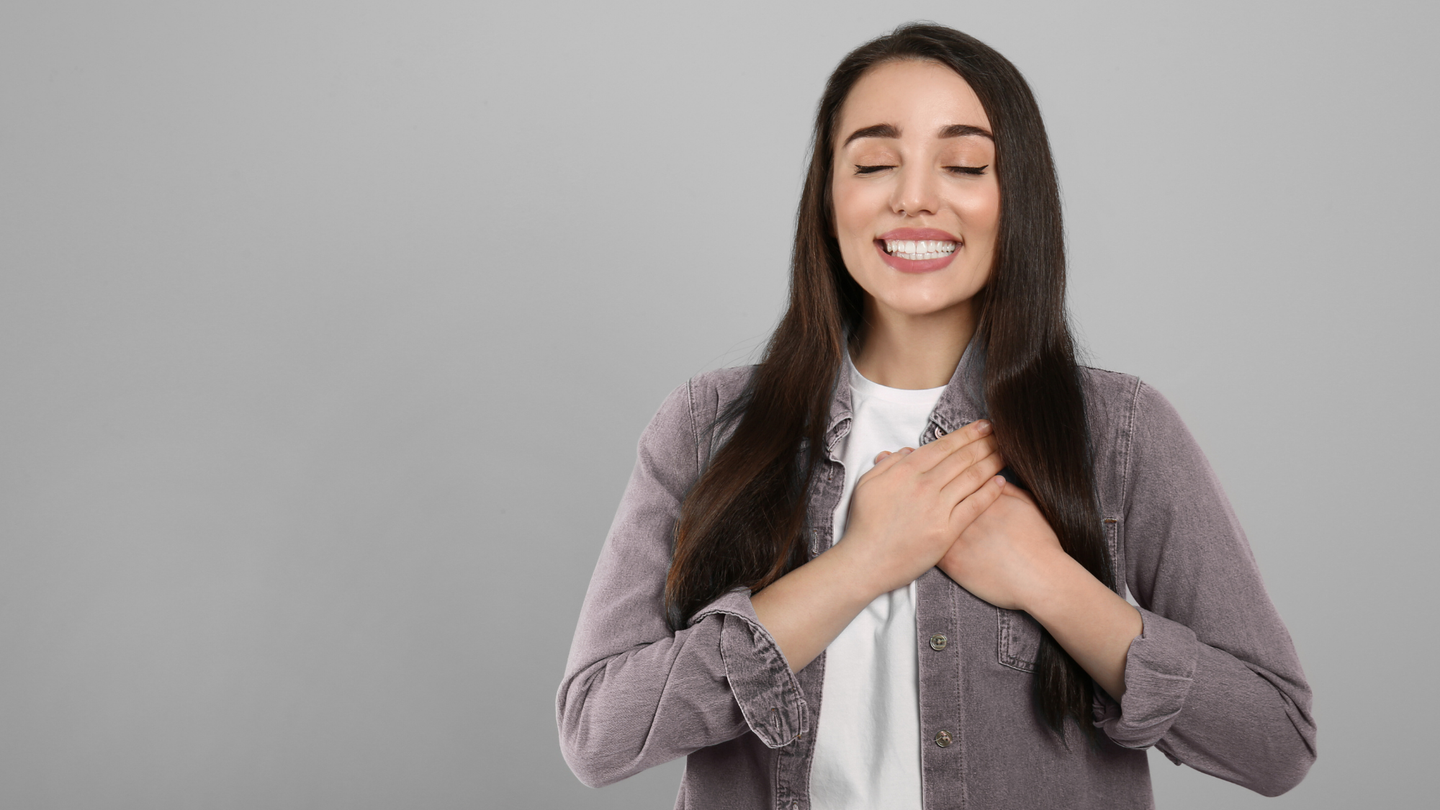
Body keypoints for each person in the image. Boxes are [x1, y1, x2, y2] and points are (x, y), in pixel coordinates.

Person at [556, 23, 1316, 809]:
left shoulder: (1120, 432)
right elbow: (596, 734)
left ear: (1012, 197)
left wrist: (1049, 581)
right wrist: (862, 563)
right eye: (876, 162)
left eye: (964, 165)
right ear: (828, 198)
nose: (914, 195)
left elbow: (1276, 740)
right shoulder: (706, 425)